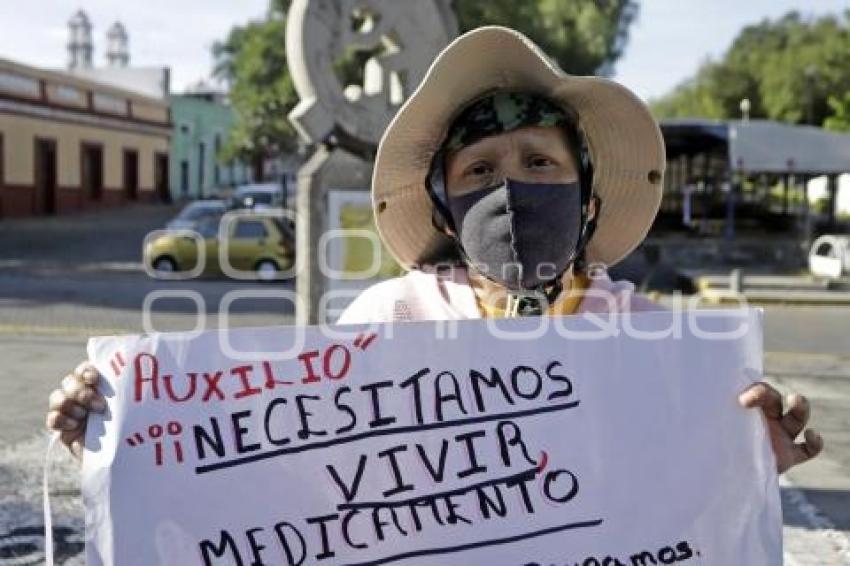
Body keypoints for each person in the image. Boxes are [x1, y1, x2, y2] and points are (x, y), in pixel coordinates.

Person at [47, 26, 822, 473]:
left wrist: (756, 459)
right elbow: (280, 475)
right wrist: (125, 433)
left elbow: (688, 502)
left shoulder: (659, 339)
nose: (512, 190)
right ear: (448, 210)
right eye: (480, 172)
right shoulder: (384, 319)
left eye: (540, 166)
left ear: (587, 203)